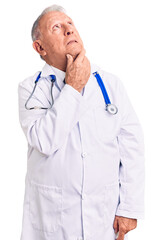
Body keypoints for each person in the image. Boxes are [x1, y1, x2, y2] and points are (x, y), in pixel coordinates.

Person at [18, 4, 145, 240]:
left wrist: (129, 208)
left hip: (103, 218)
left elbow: (131, 147)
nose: (69, 30)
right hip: (52, 220)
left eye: (70, 23)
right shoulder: (31, 89)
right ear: (40, 47)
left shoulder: (110, 84)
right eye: (56, 27)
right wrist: (73, 88)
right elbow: (45, 141)